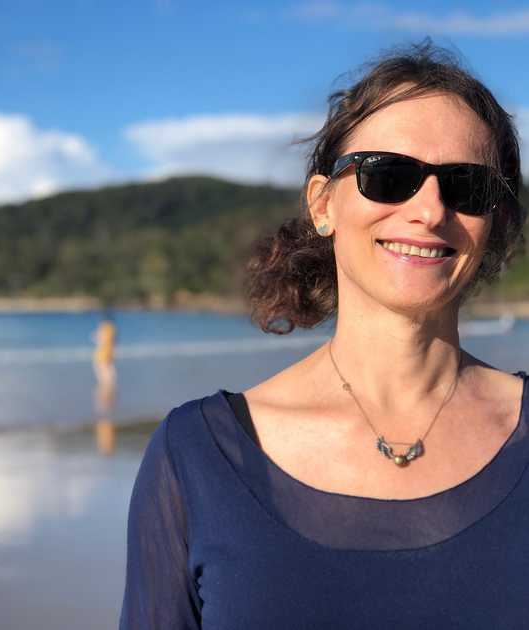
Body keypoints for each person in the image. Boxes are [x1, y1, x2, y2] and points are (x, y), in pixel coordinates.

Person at [118, 39, 529, 629]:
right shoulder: (196, 458)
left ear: (494, 221)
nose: (430, 210)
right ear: (322, 204)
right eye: (390, 176)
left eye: (466, 186)